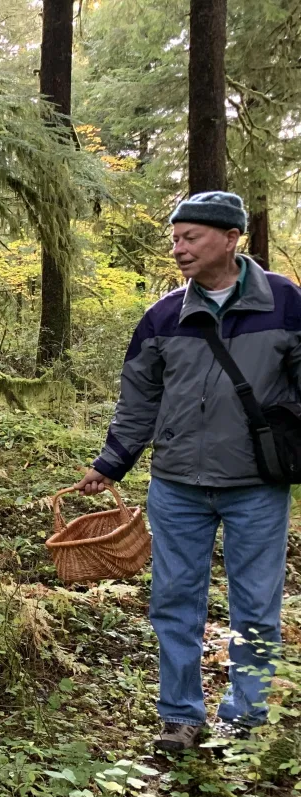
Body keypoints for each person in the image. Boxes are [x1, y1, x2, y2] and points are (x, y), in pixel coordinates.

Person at [76, 191, 301, 753]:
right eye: (175, 238)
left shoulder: (286, 304)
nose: (179, 248)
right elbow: (138, 401)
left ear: (230, 239)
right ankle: (180, 716)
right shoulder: (162, 316)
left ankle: (245, 719)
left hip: (257, 487)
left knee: (256, 605)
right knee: (174, 602)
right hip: (176, 486)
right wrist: (112, 463)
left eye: (190, 236)